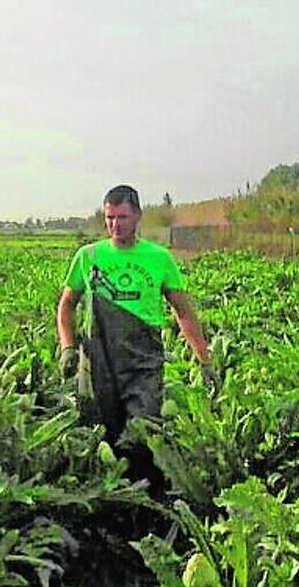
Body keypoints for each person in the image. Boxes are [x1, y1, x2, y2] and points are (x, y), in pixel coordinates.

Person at [56, 185, 214, 488]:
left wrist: (204, 360)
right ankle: (108, 503)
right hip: (97, 362)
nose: (115, 225)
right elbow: (66, 306)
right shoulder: (88, 256)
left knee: (142, 431)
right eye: (109, 218)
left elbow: (184, 312)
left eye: (123, 217)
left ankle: (144, 499)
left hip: (143, 361)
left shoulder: (159, 258)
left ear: (138, 216)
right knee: (100, 433)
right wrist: (67, 346)